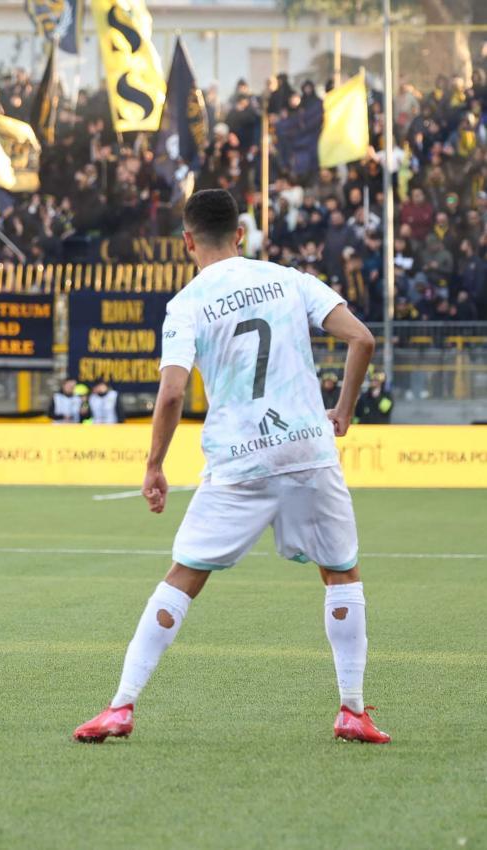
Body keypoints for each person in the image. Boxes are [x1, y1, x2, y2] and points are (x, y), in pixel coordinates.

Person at [73, 189, 389, 745]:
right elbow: (361, 339)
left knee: (185, 575)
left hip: (238, 461)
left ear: (188, 241)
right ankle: (353, 710)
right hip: (305, 450)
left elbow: (171, 395)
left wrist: (154, 465)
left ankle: (121, 706)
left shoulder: (187, 303)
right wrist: (341, 410)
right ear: (241, 233)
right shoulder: (290, 279)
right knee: (341, 573)